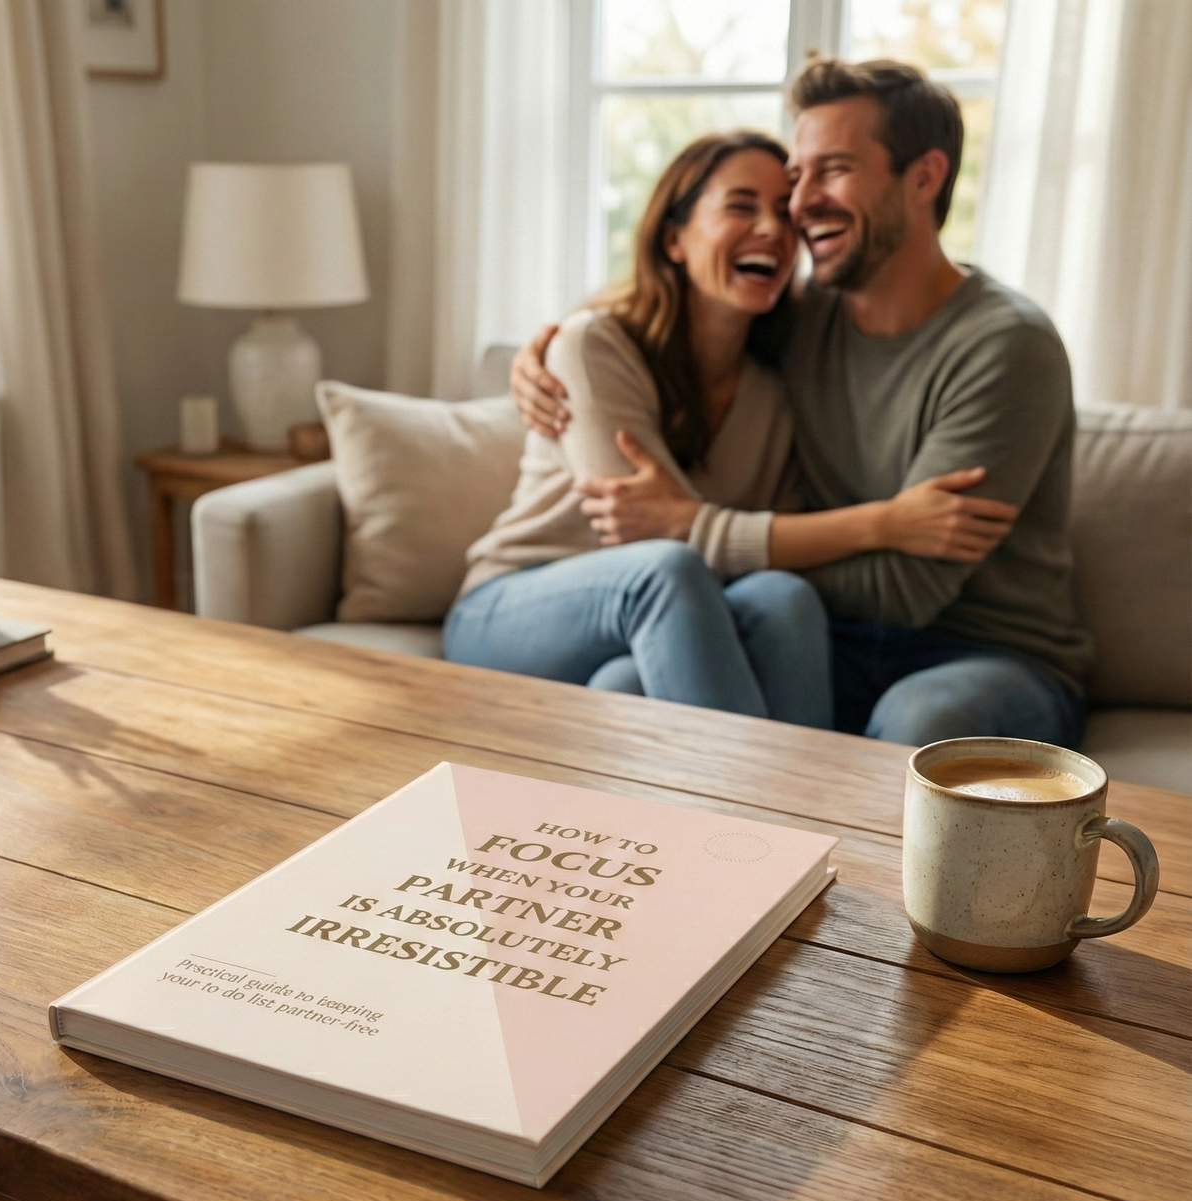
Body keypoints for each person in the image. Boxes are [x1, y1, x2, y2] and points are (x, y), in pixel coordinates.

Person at [512, 59, 1092, 748]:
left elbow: (906, 587)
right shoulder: (799, 320)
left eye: (833, 170)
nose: (797, 202)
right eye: (798, 174)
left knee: (919, 721)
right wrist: (542, 349)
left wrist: (695, 527)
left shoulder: (1004, 346)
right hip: (826, 634)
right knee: (622, 688)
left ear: (924, 177)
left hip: (984, 652)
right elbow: (679, 308)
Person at [447, 130, 1013, 730]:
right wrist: (883, 523)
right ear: (674, 239)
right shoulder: (594, 346)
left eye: (782, 214)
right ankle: (764, 821)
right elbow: (647, 538)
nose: (771, 229)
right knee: (665, 570)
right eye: (741, 206)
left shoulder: (774, 390)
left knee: (780, 598)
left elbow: (757, 560)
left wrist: (750, 544)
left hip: (671, 619)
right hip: (515, 609)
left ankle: (801, 809)